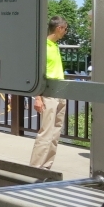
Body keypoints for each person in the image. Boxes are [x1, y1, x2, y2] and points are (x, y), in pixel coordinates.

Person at [29, 16, 68, 169]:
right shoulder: (42, 46)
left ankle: (46, 167)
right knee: (46, 132)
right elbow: (36, 74)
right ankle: (34, 168)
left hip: (61, 93)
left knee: (55, 133)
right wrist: (37, 97)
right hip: (48, 94)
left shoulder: (55, 46)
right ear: (59, 28)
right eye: (65, 29)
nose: (65, 32)